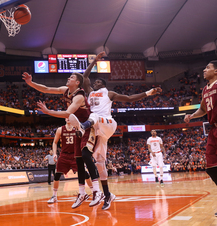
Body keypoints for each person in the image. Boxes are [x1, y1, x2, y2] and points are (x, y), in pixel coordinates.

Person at [69, 51, 162, 210]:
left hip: (108, 123)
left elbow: (130, 98)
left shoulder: (109, 93)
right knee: (99, 164)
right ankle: (107, 195)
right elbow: (84, 77)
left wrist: (148, 93)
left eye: (98, 82)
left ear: (103, 85)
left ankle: (82, 126)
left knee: (94, 116)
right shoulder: (90, 92)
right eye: (95, 82)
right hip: (98, 130)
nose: (95, 83)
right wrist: (94, 61)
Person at [22, 71, 102, 209]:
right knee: (79, 160)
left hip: (88, 127)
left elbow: (67, 113)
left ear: (77, 82)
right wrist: (31, 83)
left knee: (84, 155)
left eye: (71, 77)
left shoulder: (79, 96)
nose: (68, 78)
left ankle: (97, 191)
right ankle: (82, 193)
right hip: (78, 129)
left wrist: (48, 112)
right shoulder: (66, 90)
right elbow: (46, 89)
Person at [184, 60, 217, 216]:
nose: (204, 70)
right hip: (214, 130)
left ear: (216, 71)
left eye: (207, 68)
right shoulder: (205, 89)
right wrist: (192, 115)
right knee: (211, 167)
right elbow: (203, 109)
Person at [47, 118, 93, 204]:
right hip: (64, 154)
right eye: (67, 116)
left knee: (85, 174)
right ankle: (54, 196)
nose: (68, 118)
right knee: (57, 174)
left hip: (75, 155)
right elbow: (55, 142)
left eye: (70, 116)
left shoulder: (77, 128)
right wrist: (54, 153)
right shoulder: (60, 129)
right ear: (65, 118)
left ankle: (94, 192)